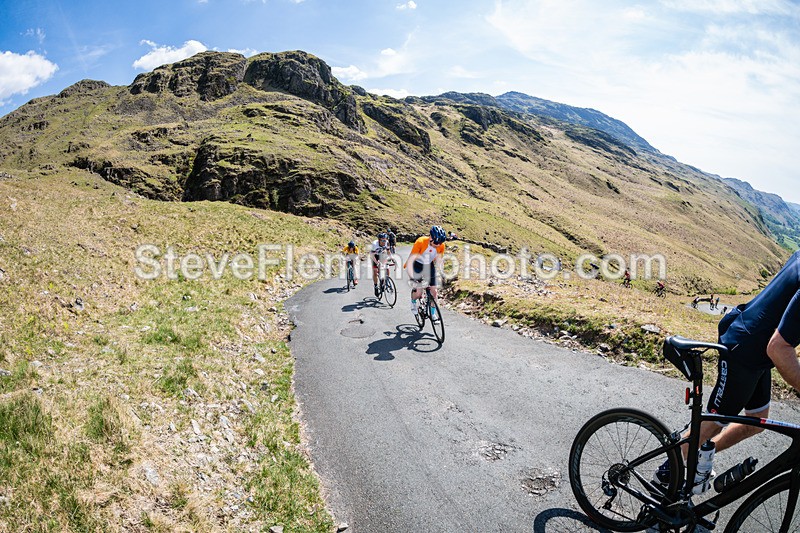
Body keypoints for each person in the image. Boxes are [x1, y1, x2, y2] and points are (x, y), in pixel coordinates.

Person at [655, 250, 800, 493]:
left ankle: (699, 452)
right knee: (715, 422)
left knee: (755, 422)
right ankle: (668, 473)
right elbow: (779, 348)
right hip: (744, 349)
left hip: (758, 351)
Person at [404, 225, 447, 315]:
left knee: (434, 292)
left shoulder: (441, 245)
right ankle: (413, 301)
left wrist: (442, 273)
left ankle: (433, 313)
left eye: (440, 243)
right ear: (430, 237)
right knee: (419, 291)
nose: (438, 245)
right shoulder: (420, 242)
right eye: (436, 243)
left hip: (428, 265)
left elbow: (439, 260)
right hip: (416, 265)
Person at [370, 233, 391, 297]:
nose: (384, 242)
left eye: (385, 240)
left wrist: (391, 258)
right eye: (382, 240)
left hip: (382, 255)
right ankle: (376, 286)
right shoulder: (374, 244)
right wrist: (376, 263)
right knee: (375, 272)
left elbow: (388, 251)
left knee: (386, 268)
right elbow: (372, 255)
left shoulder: (387, 242)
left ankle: (384, 281)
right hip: (374, 256)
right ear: (379, 240)